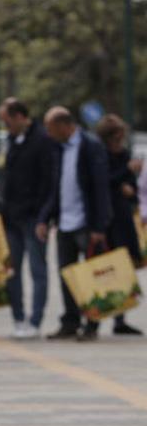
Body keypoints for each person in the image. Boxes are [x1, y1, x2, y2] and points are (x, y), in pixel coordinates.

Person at [38, 106, 113, 341]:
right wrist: (45, 218)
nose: (48, 134)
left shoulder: (91, 146)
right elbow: (57, 187)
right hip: (65, 223)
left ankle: (92, 322)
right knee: (67, 274)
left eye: (51, 129)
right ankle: (70, 321)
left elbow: (101, 188)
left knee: (90, 275)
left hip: (87, 224)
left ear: (63, 126)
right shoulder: (59, 149)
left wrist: (100, 227)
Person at [0, 98, 55, 339]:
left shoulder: (42, 140)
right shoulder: (11, 140)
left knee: (37, 270)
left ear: (20, 117)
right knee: (13, 270)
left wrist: (44, 217)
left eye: (8, 121)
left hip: (34, 217)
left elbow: (50, 181)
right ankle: (19, 318)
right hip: (11, 216)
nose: (6, 127)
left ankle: (35, 320)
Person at [94, 114, 142, 335]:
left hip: (122, 217)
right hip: (106, 217)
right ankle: (95, 316)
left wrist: (131, 187)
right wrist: (127, 172)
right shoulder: (100, 154)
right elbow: (104, 182)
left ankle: (120, 317)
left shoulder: (124, 154)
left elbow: (129, 186)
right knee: (103, 267)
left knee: (124, 266)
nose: (120, 140)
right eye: (116, 136)